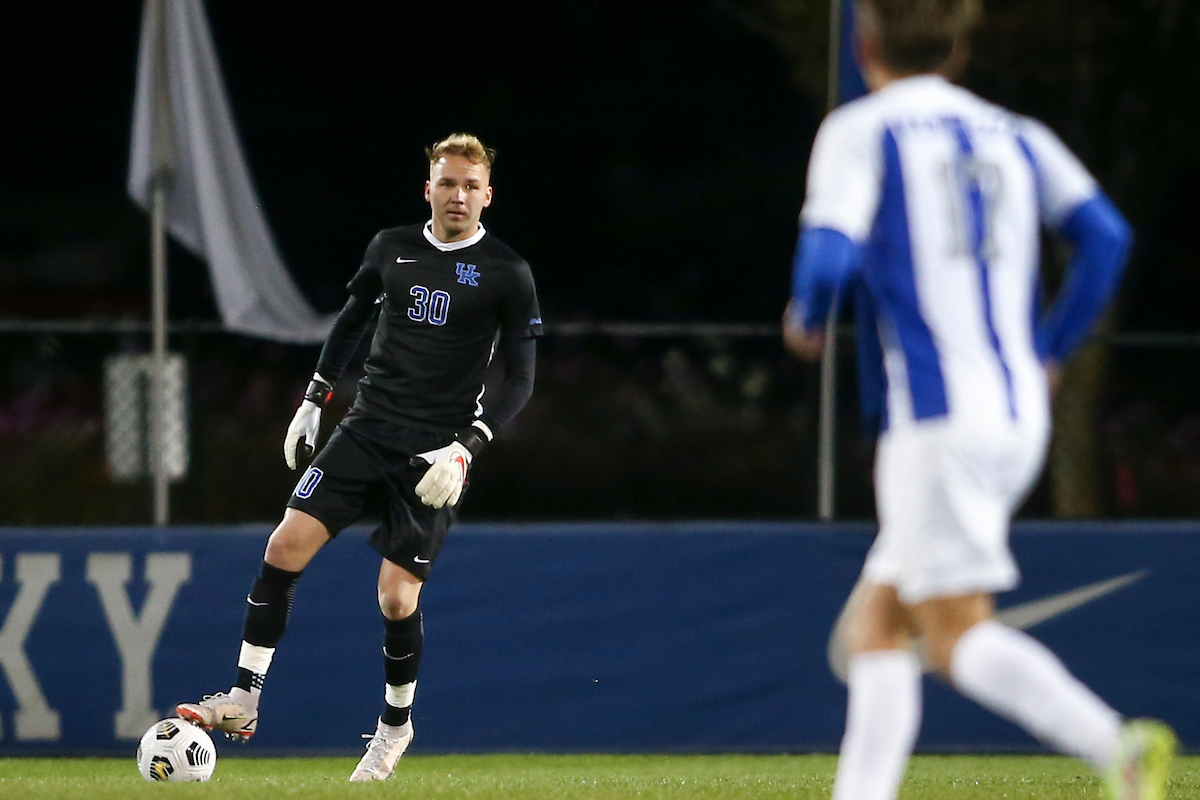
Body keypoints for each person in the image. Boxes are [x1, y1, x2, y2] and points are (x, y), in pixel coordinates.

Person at [783, 2, 1176, 799]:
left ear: (864, 45)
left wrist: (806, 318)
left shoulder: (863, 130)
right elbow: (1107, 238)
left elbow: (826, 260)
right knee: (879, 624)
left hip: (936, 423)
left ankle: (1116, 745)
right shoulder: (1016, 134)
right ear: (959, 48)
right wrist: (1052, 351)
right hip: (1016, 411)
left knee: (958, 635)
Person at [176, 133, 543, 781]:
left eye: (469, 185)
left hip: (434, 450)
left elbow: (520, 379)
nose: (457, 195)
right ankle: (243, 698)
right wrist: (315, 399)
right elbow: (349, 320)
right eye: (446, 181)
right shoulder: (391, 248)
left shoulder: (507, 272)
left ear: (489, 196)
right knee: (284, 545)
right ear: (426, 187)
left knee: (397, 600)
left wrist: (467, 448)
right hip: (368, 429)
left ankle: (394, 728)